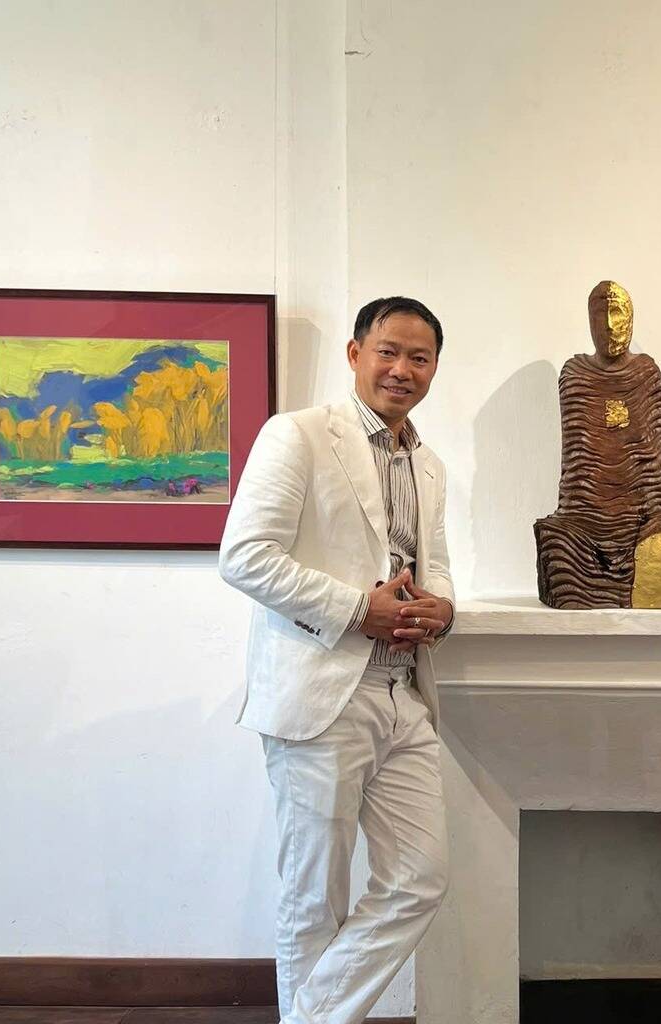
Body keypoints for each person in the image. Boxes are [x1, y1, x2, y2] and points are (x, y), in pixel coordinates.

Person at [218, 296, 455, 1024]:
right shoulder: (297, 435)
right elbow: (245, 556)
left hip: (404, 695)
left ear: (434, 369)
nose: (402, 369)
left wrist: (443, 610)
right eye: (389, 351)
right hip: (322, 693)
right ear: (356, 354)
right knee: (314, 897)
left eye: (419, 357)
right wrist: (358, 608)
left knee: (419, 879)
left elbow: (437, 568)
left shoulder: (429, 464)